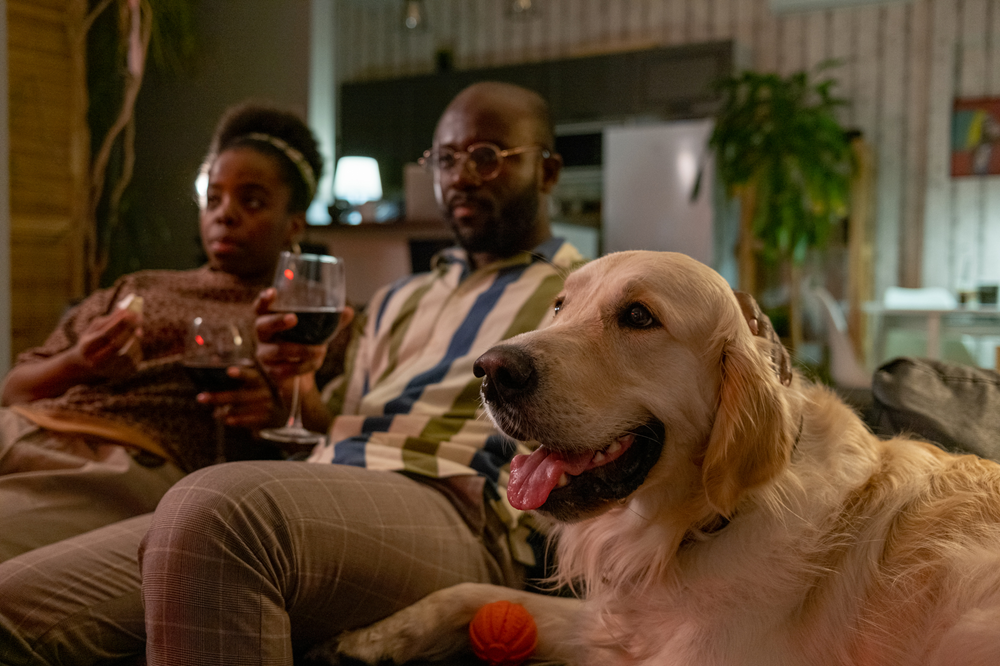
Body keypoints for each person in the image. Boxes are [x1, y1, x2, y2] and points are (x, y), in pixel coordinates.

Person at [0, 82, 782, 665]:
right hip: (337, 477)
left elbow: (707, 362)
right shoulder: (401, 297)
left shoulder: (589, 293)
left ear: (547, 172)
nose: (461, 176)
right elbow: (321, 423)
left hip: (453, 504)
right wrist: (291, 383)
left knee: (216, 505)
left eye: (486, 156)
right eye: (445, 159)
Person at [0, 101, 328, 562]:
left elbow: (327, 429)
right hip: (19, 429)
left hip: (115, 466)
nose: (225, 214)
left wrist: (276, 406)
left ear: (294, 223)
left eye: (250, 201)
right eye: (213, 199)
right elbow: (13, 389)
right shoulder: (139, 285)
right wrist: (78, 363)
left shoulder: (301, 319)